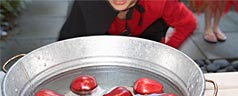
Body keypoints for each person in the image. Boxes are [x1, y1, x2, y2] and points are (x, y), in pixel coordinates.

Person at [58, 0, 197, 49]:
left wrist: (165, 51)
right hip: (102, 53)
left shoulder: (160, 2)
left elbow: (188, 23)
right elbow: (67, 45)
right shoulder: (86, 4)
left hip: (146, 52)